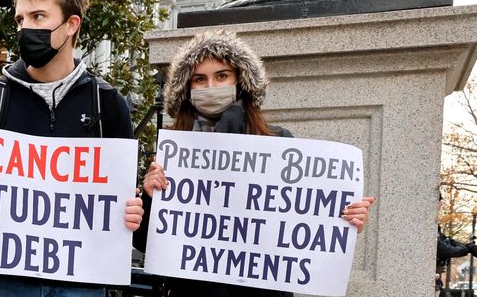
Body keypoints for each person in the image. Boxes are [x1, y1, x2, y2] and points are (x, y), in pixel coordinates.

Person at [137, 29, 377, 296]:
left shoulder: (280, 143)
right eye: (199, 79)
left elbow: (302, 224)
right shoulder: (173, 152)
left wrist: (345, 221)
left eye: (222, 76)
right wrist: (150, 197)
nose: (211, 87)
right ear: (187, 88)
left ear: (240, 81)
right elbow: (147, 243)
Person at [0, 0, 144, 296]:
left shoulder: (108, 104)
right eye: (20, 19)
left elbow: (120, 199)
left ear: (71, 25)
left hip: (80, 283)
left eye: (38, 16)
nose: (25, 27)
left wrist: (133, 210)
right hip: (2, 282)